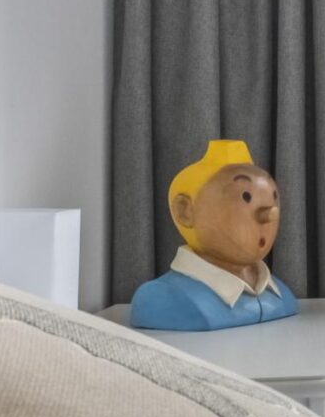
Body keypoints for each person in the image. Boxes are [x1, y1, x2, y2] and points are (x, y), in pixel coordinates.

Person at [128, 140, 300, 330]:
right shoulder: (160, 298)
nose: (270, 214)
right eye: (246, 197)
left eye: (273, 198)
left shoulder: (280, 295)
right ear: (185, 212)